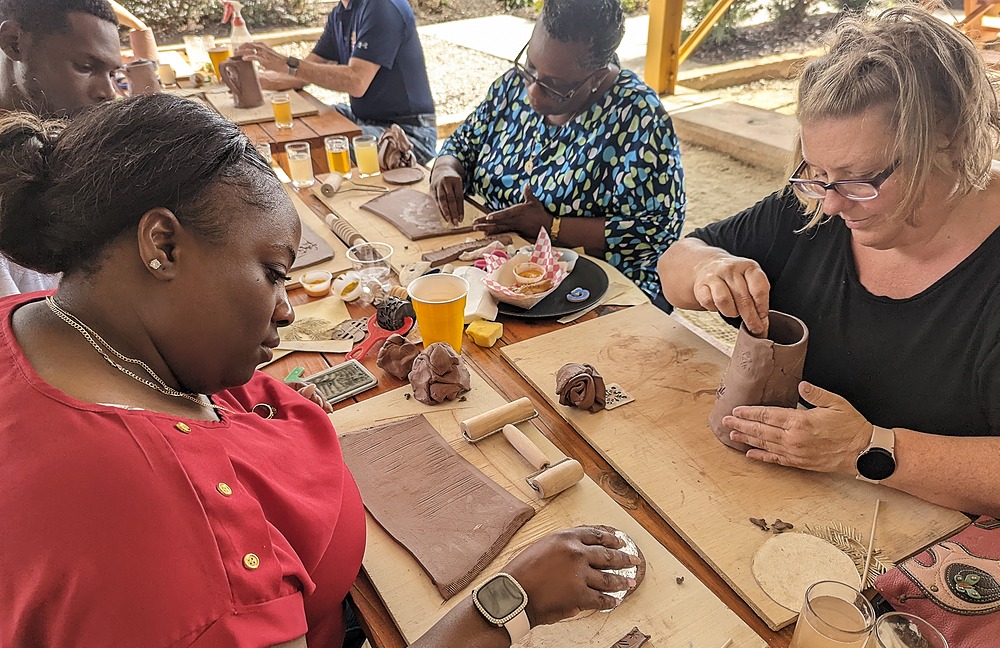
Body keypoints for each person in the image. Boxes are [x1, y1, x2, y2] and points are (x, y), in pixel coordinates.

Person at [0, 94, 638, 648]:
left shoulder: (56, 325)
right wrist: (511, 600)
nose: (285, 309)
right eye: (273, 273)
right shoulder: (133, 510)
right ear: (162, 246)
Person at [658, 6, 1000, 516]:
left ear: (947, 138)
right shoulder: (814, 205)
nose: (833, 206)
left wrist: (868, 449)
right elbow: (676, 264)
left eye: (860, 180)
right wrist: (709, 268)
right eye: (817, 173)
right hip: (794, 506)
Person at [430, 0, 684, 303]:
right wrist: (445, 167)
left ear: (597, 77)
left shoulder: (639, 117)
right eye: (530, 67)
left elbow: (655, 230)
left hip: (595, 288)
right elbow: (463, 143)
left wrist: (553, 227)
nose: (532, 90)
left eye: (554, 85)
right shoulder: (512, 86)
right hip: (504, 272)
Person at [0, 0, 120, 297]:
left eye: (113, 75)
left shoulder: (74, 142)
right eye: (86, 68)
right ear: (14, 43)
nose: (109, 93)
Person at [238, 0, 437, 165]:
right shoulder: (341, 13)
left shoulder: (382, 7)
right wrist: (248, 80)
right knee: (301, 128)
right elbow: (301, 75)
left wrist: (287, 63)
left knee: (321, 147)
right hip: (364, 119)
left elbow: (356, 81)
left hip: (408, 132)